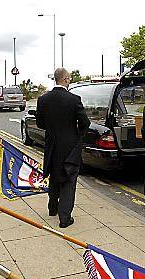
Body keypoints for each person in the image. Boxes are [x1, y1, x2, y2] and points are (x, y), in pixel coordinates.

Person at [36, 68, 90, 228]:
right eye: (70, 78)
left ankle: (52, 208)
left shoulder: (43, 99)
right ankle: (65, 218)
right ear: (65, 79)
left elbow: (40, 124)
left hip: (52, 144)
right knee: (69, 179)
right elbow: (85, 123)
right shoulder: (74, 99)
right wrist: (77, 135)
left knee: (54, 175)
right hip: (70, 146)